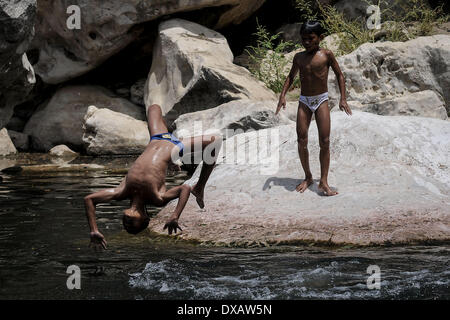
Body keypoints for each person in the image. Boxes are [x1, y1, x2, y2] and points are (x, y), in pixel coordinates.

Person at [84, 104, 222, 250]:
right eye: (132, 225)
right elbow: (185, 188)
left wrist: (94, 230)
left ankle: (173, 161)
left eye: (125, 224)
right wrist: (175, 215)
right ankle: (200, 186)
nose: (127, 224)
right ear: (145, 219)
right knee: (215, 141)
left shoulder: (121, 191)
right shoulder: (157, 198)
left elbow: (89, 200)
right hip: (175, 148)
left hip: (157, 138)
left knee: (153, 107)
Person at [276, 20, 352, 196]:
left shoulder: (326, 55)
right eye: (304, 39)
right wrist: (282, 95)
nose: (307, 42)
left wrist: (343, 99)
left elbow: (340, 75)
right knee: (301, 140)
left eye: (311, 38)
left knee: (324, 141)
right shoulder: (299, 57)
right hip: (304, 101)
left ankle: (324, 181)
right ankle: (308, 176)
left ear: (320, 37)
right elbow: (290, 77)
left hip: (321, 100)